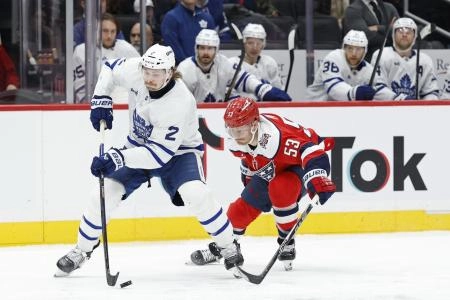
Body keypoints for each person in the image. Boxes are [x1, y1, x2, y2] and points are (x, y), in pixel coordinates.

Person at [55, 44, 243, 277]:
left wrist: (117, 157)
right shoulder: (137, 70)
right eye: (146, 71)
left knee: (197, 194)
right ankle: (81, 251)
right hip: (138, 146)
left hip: (178, 154)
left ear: (170, 72)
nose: (149, 78)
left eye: (156, 74)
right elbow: (110, 68)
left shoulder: (179, 102)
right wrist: (101, 97)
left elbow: (159, 154)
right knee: (102, 195)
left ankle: (228, 246)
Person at [190, 97, 336, 271]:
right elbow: (251, 157)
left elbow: (312, 151)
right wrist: (250, 179)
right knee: (239, 211)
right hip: (272, 166)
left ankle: (286, 242)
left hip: (296, 166)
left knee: (281, 189)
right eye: (231, 130)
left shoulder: (278, 139)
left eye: (240, 130)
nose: (235, 136)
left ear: (254, 125)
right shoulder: (238, 140)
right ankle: (225, 246)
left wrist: (317, 176)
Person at [177, 29, 291, 102]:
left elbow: (244, 79)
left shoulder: (223, 63)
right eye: (202, 48)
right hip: (194, 119)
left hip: (219, 116)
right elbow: (180, 102)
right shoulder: (185, 69)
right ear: (196, 49)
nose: (206, 52)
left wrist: (262, 89)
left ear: (216, 50)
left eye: (210, 48)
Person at [306, 30, 403, 101]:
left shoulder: (369, 70)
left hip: (340, 112)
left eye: (358, 49)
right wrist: (355, 92)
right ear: (344, 47)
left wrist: (398, 98)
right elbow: (334, 89)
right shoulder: (334, 58)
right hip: (314, 108)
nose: (353, 53)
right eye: (350, 48)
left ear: (365, 51)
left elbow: (378, 90)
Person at [73, 13, 140, 103]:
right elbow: (80, 87)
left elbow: (140, 77)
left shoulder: (127, 49)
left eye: (113, 31)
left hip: (123, 104)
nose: (109, 36)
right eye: (105, 31)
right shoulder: (82, 51)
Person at [371, 18, 441, 100]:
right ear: (393, 34)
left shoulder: (425, 60)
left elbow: (431, 91)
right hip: (387, 109)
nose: (404, 35)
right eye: (400, 31)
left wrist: (426, 105)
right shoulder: (381, 55)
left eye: (409, 32)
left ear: (414, 36)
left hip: (415, 111)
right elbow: (376, 88)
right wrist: (402, 100)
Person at [228, 23, 283, 99]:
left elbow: (278, 90)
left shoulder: (269, 63)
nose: (254, 47)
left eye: (258, 43)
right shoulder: (231, 64)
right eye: (250, 43)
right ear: (244, 43)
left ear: (263, 45)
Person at [161, 0, 216, 65]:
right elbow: (174, 51)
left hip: (206, 70)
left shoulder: (207, 18)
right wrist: (190, 67)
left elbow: (213, 46)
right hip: (181, 70)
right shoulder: (171, 18)